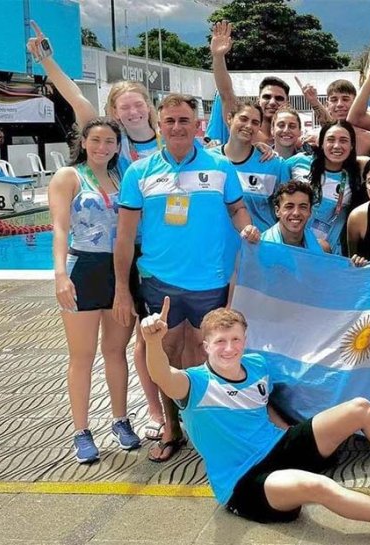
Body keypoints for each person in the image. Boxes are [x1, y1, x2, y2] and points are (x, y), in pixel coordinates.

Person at [141, 300, 370, 545]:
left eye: (235, 340)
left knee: (359, 407)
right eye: (220, 342)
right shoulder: (193, 383)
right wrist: (153, 341)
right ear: (205, 347)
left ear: (245, 340)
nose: (229, 348)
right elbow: (160, 374)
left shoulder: (258, 365)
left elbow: (261, 404)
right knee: (317, 488)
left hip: (279, 445)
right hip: (245, 482)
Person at [28, 19, 165, 440]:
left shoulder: (169, 144)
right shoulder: (113, 145)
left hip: (148, 259)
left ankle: (149, 417)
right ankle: (93, 428)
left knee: (140, 345)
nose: (131, 111)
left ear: (148, 105)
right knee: (98, 352)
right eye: (122, 107)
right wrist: (47, 61)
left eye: (137, 104)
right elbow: (74, 97)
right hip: (103, 260)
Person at [113, 93, 261, 463]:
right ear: (159, 127)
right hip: (159, 282)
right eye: (170, 121)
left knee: (204, 354)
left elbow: (238, 208)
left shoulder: (220, 167)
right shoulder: (139, 173)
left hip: (209, 281)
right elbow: (125, 237)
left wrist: (247, 229)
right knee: (166, 353)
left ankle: (202, 425)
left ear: (197, 126)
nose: (177, 127)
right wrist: (121, 288)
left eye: (184, 121)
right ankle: (172, 427)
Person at [48, 117, 141, 463]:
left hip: (120, 272)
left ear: (118, 145)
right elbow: (59, 228)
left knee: (115, 352)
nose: (102, 147)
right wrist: (59, 275)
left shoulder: (124, 176)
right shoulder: (68, 177)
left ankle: (120, 420)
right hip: (83, 269)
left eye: (109, 141)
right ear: (84, 142)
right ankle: (81, 431)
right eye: (96, 140)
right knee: (82, 356)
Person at [286, 120, 366, 256]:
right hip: (293, 248)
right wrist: (260, 147)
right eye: (330, 139)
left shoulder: (356, 175)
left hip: (331, 255)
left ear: (352, 146)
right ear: (321, 143)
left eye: (344, 140)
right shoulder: (299, 162)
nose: (336, 146)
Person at [210, 102, 287, 231]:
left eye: (255, 123)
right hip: (218, 244)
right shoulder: (209, 160)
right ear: (229, 118)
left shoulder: (275, 164)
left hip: (259, 244)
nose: (248, 126)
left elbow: (286, 209)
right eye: (243, 119)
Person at [211, 20, 290, 146]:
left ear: (287, 103)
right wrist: (218, 56)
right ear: (259, 100)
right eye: (267, 97)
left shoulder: (293, 138)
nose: (272, 102)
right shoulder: (245, 130)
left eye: (279, 98)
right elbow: (226, 94)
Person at [261, 181, 325, 252]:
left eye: (303, 207)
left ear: (310, 211)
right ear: (277, 211)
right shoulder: (259, 247)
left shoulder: (321, 251)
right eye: (289, 207)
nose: (296, 213)